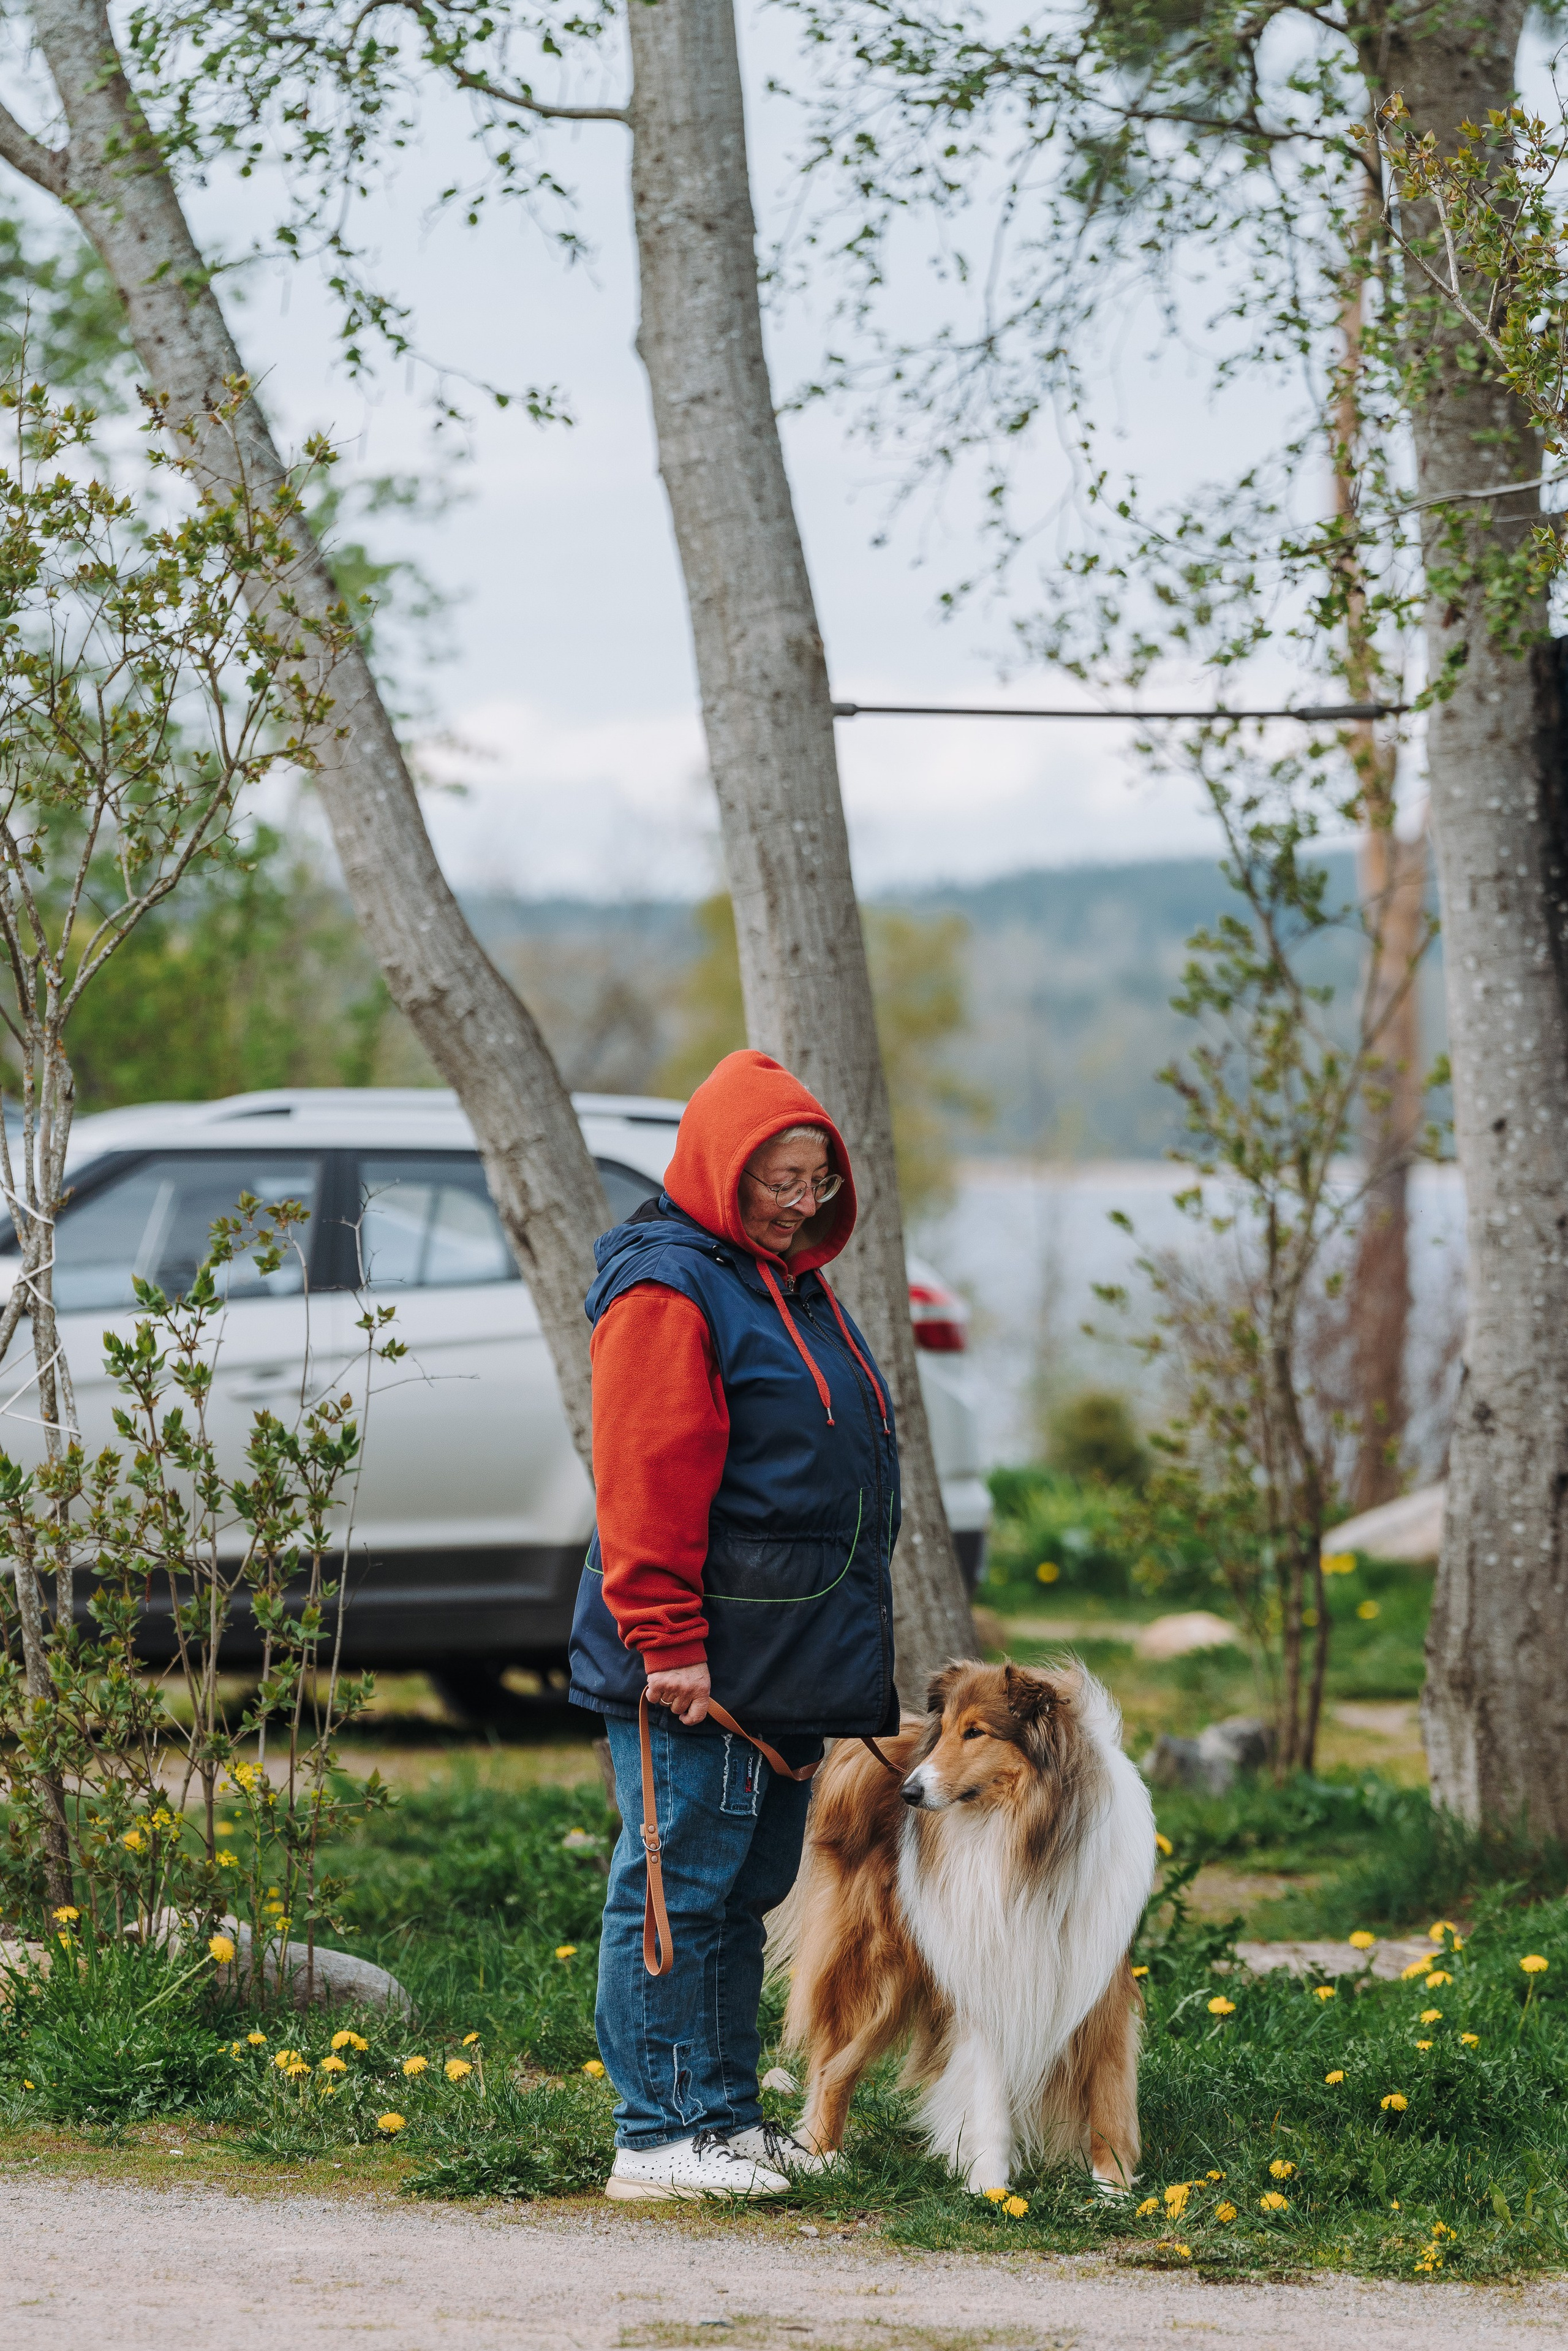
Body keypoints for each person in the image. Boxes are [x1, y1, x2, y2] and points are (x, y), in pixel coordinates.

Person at [568, 1048, 900, 2201]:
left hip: (779, 1659)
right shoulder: (671, 1287)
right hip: (695, 1660)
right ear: (721, 1167)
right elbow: (646, 1474)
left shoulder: (779, 1281)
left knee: (747, 1886)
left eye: (818, 1180)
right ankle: (655, 2135)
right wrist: (666, 1641)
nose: (802, 1203)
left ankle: (719, 2113)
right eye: (779, 1179)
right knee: (677, 1883)